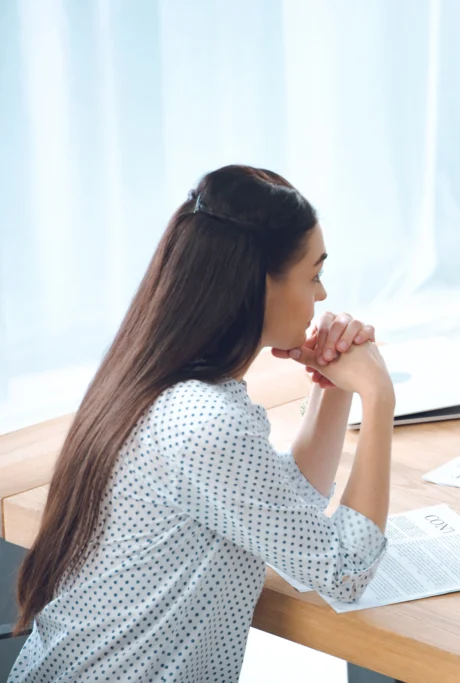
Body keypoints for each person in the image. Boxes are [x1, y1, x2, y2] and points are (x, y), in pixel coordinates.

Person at [11, 165, 395, 682]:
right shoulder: (205, 422)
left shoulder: (155, 381)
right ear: (259, 285)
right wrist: (379, 395)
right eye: (314, 275)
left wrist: (336, 385)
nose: (322, 297)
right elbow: (343, 571)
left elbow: (289, 506)